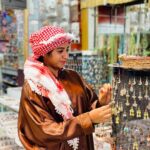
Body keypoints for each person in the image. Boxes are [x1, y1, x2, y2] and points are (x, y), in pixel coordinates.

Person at [18, 26, 112, 150]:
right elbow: (45, 131)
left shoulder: (73, 77)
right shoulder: (33, 87)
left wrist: (101, 102)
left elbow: (88, 108)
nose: (66, 56)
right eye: (60, 51)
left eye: (67, 50)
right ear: (45, 53)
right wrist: (87, 119)